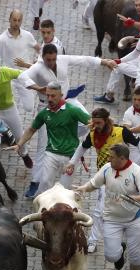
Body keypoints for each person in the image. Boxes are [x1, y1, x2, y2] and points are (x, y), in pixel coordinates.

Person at [19, 43, 116, 198]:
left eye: (53, 59)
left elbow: (83, 60)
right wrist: (38, 88)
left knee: (87, 121)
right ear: (42, 57)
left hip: (67, 102)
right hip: (47, 106)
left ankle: (66, 134)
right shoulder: (37, 67)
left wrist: (104, 62)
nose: (51, 62)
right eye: (48, 60)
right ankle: (36, 182)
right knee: (43, 146)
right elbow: (22, 76)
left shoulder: (63, 59)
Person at [72, 143, 140, 270]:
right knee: (111, 256)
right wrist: (82, 189)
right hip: (112, 219)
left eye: (112, 157)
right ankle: (120, 251)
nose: (108, 159)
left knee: (137, 258)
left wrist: (129, 198)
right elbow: (93, 184)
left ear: (122, 159)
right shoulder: (107, 168)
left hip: (134, 218)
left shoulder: (136, 172)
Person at [66, 107, 140, 254]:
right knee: (99, 209)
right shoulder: (92, 134)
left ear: (106, 121)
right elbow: (82, 148)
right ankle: (93, 240)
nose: (95, 125)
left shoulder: (120, 131)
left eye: (99, 122)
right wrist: (72, 163)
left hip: (124, 174)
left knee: (108, 207)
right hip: (104, 175)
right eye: (94, 122)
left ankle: (123, 229)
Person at [13, 81, 90, 194]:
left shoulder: (73, 110)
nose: (49, 99)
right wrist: (19, 144)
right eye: (47, 95)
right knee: (44, 184)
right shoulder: (44, 113)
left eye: (53, 96)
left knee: (63, 191)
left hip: (70, 157)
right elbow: (31, 129)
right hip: (51, 154)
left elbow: (92, 122)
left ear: (61, 95)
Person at [0, 9, 38, 116]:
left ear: (21, 21)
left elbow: (39, 48)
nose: (16, 23)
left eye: (19, 20)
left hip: (24, 75)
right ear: (9, 20)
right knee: (6, 104)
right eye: (14, 20)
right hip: (8, 77)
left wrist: (38, 61)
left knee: (29, 107)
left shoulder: (27, 35)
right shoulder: (2, 38)